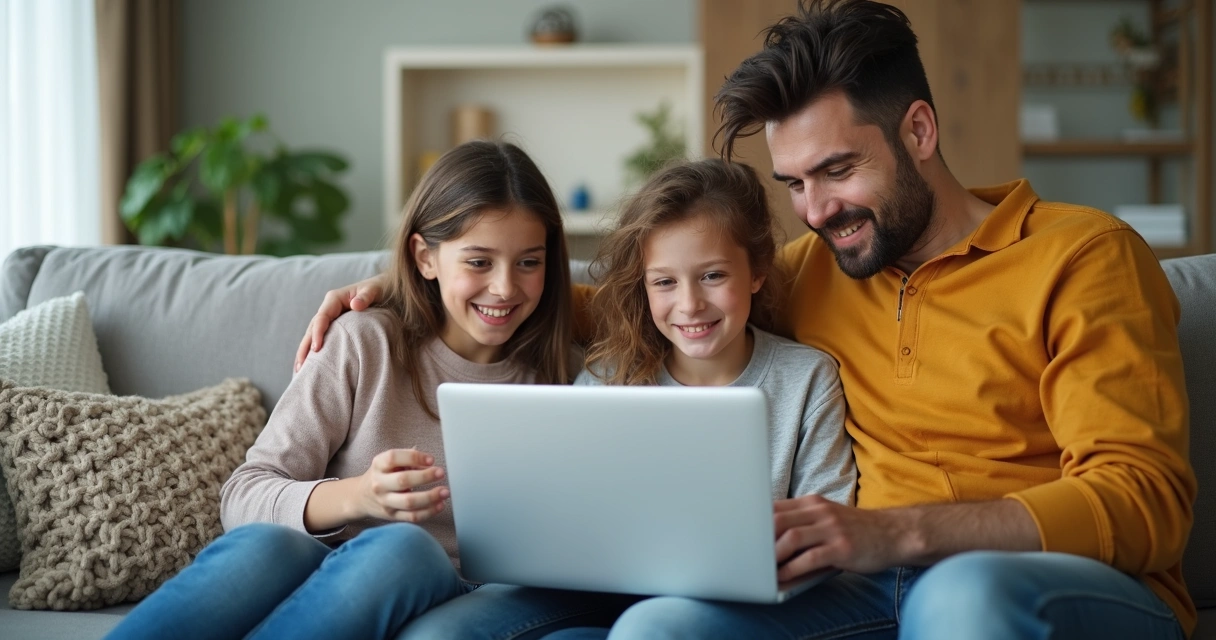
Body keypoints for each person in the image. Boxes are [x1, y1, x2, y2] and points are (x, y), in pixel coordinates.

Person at [296, 1, 1198, 638]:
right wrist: (405, 295)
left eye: (839, 170)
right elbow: (641, 299)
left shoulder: (1080, 256)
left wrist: (897, 530)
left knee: (958, 603)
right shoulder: (819, 266)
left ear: (919, 130)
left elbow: (1147, 501)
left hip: (1043, 589)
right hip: (855, 585)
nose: (816, 209)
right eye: (795, 183)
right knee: (658, 630)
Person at [106, 140, 578, 640]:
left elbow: (654, 293)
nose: (505, 288)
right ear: (425, 257)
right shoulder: (365, 342)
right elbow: (244, 496)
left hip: (465, 597)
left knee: (402, 547)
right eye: (479, 262)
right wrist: (360, 496)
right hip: (334, 583)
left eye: (529, 262)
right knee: (263, 548)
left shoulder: (570, 374)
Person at [395, 158, 858, 638]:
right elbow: (559, 506)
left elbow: (831, 527)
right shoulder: (609, 377)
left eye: (713, 276)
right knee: (438, 634)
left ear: (758, 271)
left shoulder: (806, 379)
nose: (689, 304)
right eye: (664, 282)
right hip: (592, 592)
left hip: (728, 607)